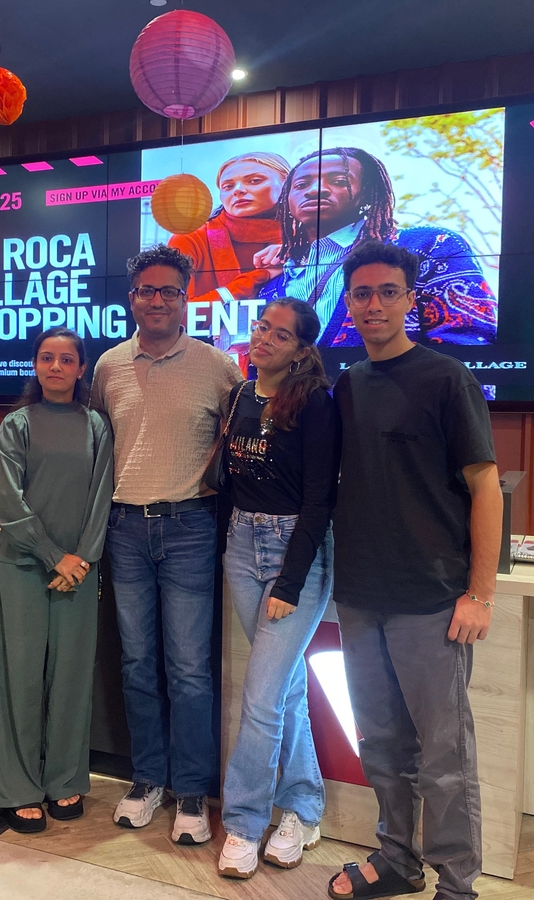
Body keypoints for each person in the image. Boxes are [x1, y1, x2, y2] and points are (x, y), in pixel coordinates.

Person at [325, 240, 502, 900]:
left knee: (444, 754)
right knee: (380, 743)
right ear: (349, 302)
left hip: (431, 600)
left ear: (409, 299)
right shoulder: (348, 384)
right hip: (360, 594)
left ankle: (457, 886)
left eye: (387, 292)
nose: (373, 304)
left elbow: (485, 488)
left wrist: (479, 593)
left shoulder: (447, 379)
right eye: (362, 293)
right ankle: (397, 859)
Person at [90, 244, 243, 845]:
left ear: (185, 298)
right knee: (136, 664)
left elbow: (242, 441)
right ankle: (147, 779)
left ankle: (191, 791)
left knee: (188, 669)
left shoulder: (217, 367)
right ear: (132, 298)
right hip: (124, 528)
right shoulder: (108, 366)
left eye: (169, 291)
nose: (157, 300)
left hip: (190, 529)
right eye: (146, 290)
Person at [214, 298, 341, 880]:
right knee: (284, 691)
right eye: (262, 327)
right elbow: (229, 484)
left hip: (295, 553)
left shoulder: (315, 403)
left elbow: (319, 500)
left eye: (280, 334)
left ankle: (243, 824)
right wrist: (225, 547)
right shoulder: (240, 395)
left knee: (261, 697)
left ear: (301, 349)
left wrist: (291, 581)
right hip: (242, 546)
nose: (264, 338)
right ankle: (304, 809)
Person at [0, 326, 114, 834]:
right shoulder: (16, 424)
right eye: (46, 358)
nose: (55, 367)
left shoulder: (96, 426)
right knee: (19, 678)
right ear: (35, 365)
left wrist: (80, 559)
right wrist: (52, 556)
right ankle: (18, 788)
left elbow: (102, 497)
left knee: (70, 679)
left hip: (79, 571)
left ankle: (64, 779)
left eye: (66, 359)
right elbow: (8, 504)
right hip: (23, 567)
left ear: (82, 369)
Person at [256, 148, 497, 347]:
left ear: (368, 194)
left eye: (339, 181)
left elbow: (469, 348)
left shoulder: (428, 246)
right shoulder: (274, 276)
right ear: (287, 199)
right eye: (301, 184)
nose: (315, 190)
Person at [168, 152, 290, 351]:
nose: (238, 190)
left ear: (288, 184)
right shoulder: (191, 238)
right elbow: (174, 316)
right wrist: (257, 277)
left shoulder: (310, 238)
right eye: (228, 186)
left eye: (255, 180)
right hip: (206, 357)